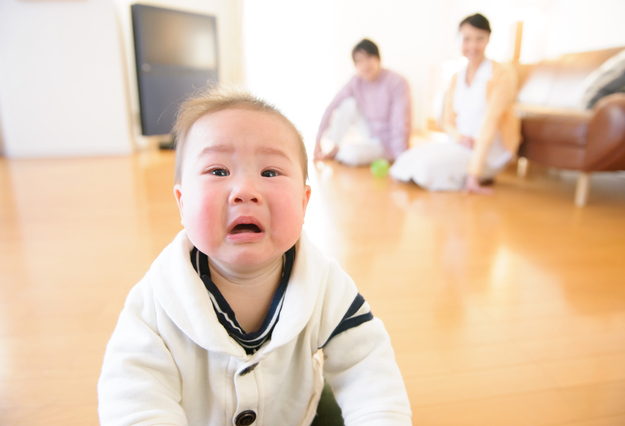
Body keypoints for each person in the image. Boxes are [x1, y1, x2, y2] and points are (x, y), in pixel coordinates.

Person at [97, 86, 412, 425]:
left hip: (295, 415)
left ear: (304, 202)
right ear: (182, 203)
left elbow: (367, 365)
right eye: (218, 171)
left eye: (270, 172)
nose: (245, 191)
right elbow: (133, 401)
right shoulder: (155, 304)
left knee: (338, 406)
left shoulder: (324, 284)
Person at [390, 13, 520, 193]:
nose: (473, 46)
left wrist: (474, 174)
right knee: (405, 161)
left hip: (488, 151)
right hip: (460, 145)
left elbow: (490, 121)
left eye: (479, 39)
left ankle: (478, 175)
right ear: (459, 40)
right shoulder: (456, 77)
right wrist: (460, 138)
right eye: (467, 39)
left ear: (488, 39)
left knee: (425, 170)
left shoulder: (502, 74)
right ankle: (458, 173)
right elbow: (447, 120)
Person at [314, 39, 411, 166]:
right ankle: (335, 147)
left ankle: (383, 155)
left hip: (389, 143)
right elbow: (332, 105)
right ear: (355, 65)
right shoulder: (356, 81)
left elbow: (401, 123)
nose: (364, 65)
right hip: (371, 134)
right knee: (349, 103)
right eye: (359, 60)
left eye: (369, 57)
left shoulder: (397, 82)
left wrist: (400, 159)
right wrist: (317, 141)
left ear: (378, 59)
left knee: (349, 154)